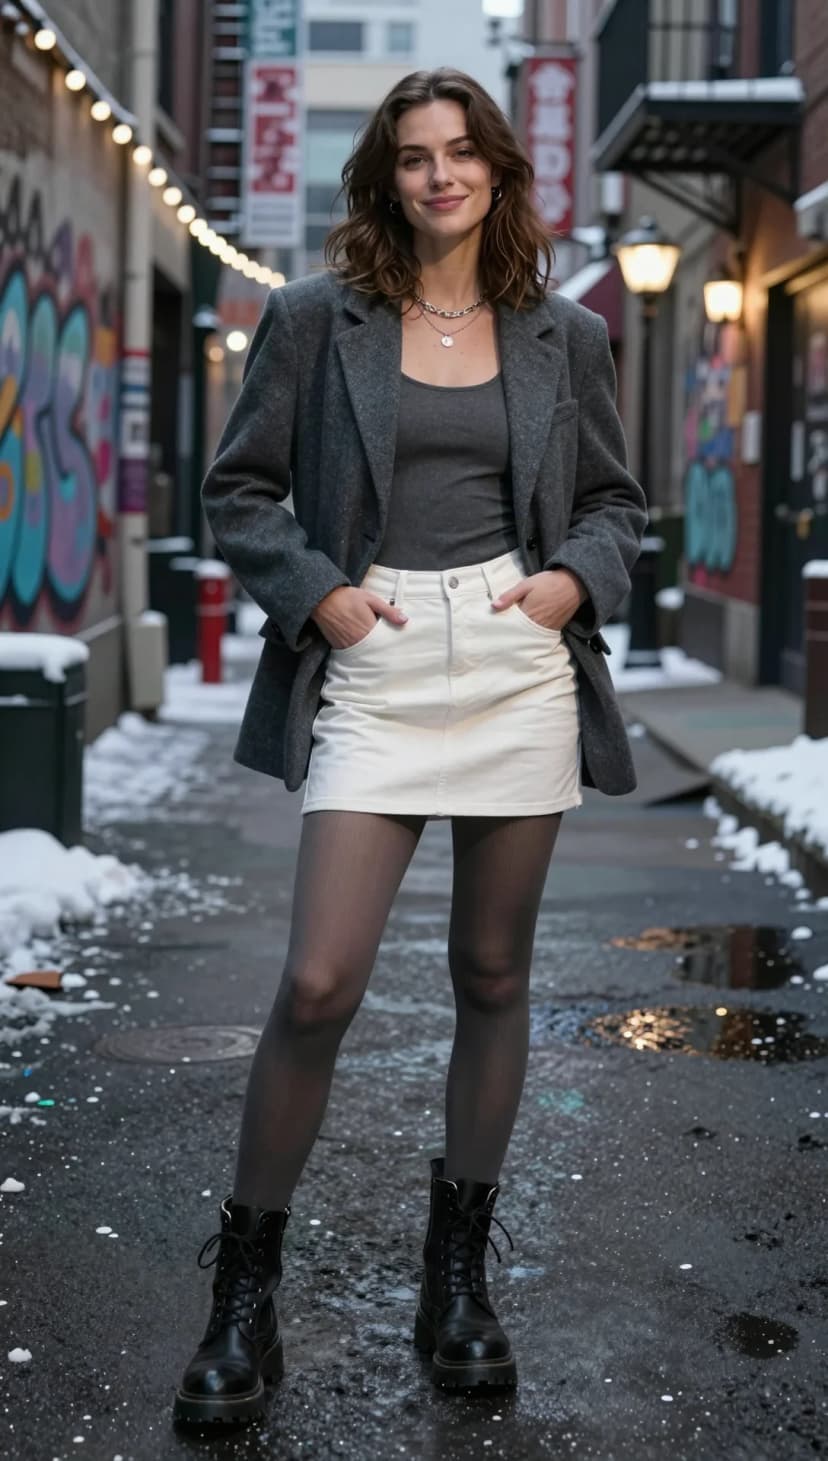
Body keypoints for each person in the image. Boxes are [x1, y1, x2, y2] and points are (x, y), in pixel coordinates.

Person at [173, 67, 646, 1425]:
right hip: (376, 652)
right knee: (320, 979)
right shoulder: (320, 322)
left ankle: (459, 1283)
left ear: (498, 170)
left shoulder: (566, 336)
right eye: (414, 157)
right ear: (385, 177)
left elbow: (615, 502)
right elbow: (239, 487)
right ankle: (241, 1297)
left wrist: (570, 582)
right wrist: (320, 590)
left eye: (462, 154)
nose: (440, 176)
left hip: (513, 650)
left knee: (493, 969)